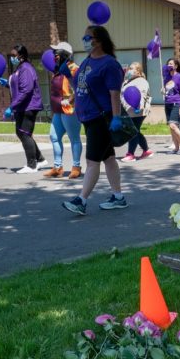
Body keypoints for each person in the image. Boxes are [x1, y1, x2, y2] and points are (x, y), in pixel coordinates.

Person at [62, 25, 131, 216]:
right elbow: (80, 86)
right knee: (108, 158)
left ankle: (81, 200)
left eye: (88, 37)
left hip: (101, 119)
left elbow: (114, 94)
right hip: (88, 117)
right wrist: (69, 76)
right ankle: (118, 197)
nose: (84, 40)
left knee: (92, 161)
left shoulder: (109, 64)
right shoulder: (87, 61)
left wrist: (116, 117)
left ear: (99, 40)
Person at [0, 45, 47, 173]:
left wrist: (11, 107)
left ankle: (32, 165)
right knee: (22, 133)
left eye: (14, 55)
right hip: (23, 106)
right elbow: (19, 87)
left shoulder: (25, 68)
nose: (12, 58)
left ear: (21, 55)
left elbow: (26, 90)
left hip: (29, 106)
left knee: (24, 133)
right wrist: (7, 85)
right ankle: (40, 159)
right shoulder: (20, 68)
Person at [45, 42, 82, 178]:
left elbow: (80, 87)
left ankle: (76, 167)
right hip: (58, 110)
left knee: (74, 139)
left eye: (56, 52)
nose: (54, 55)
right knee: (54, 137)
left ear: (63, 54)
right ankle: (57, 167)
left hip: (70, 110)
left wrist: (71, 99)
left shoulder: (74, 69)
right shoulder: (57, 70)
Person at [122, 62, 153, 161]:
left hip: (137, 111)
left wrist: (139, 106)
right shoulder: (128, 80)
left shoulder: (141, 81)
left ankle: (130, 154)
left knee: (132, 132)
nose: (129, 70)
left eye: (131, 68)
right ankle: (146, 151)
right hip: (129, 111)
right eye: (129, 68)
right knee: (136, 131)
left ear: (138, 71)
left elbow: (142, 94)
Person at [162, 58, 180, 154]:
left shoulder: (179, 77)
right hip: (167, 104)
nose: (169, 65)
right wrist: (163, 90)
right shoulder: (166, 77)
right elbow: (167, 90)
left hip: (176, 104)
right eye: (168, 64)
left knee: (173, 125)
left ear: (176, 66)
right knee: (171, 126)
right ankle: (176, 147)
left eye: (171, 64)